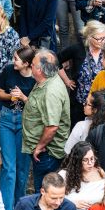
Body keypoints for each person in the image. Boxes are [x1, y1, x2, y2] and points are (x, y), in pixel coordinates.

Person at [0, 46, 37, 210]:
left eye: (17, 59)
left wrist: (23, 97)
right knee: (9, 168)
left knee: (22, 169)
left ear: (27, 64)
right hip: (6, 119)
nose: (13, 61)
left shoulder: (36, 78)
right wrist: (10, 96)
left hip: (25, 122)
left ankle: (18, 208)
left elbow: (37, 107)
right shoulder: (7, 70)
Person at [22, 50, 70, 193]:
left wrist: (39, 147)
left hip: (47, 153)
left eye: (33, 64)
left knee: (43, 193)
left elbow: (52, 127)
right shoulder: (45, 81)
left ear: (41, 70)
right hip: (44, 151)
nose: (30, 65)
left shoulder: (51, 92)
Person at [59, 21, 105, 127]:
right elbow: (56, 60)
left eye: (104, 38)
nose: (102, 41)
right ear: (89, 37)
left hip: (101, 103)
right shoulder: (78, 49)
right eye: (99, 38)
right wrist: (66, 80)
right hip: (79, 101)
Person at [64, 89, 105, 155]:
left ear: (95, 110)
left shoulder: (81, 126)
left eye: (87, 103)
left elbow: (68, 150)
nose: (84, 104)